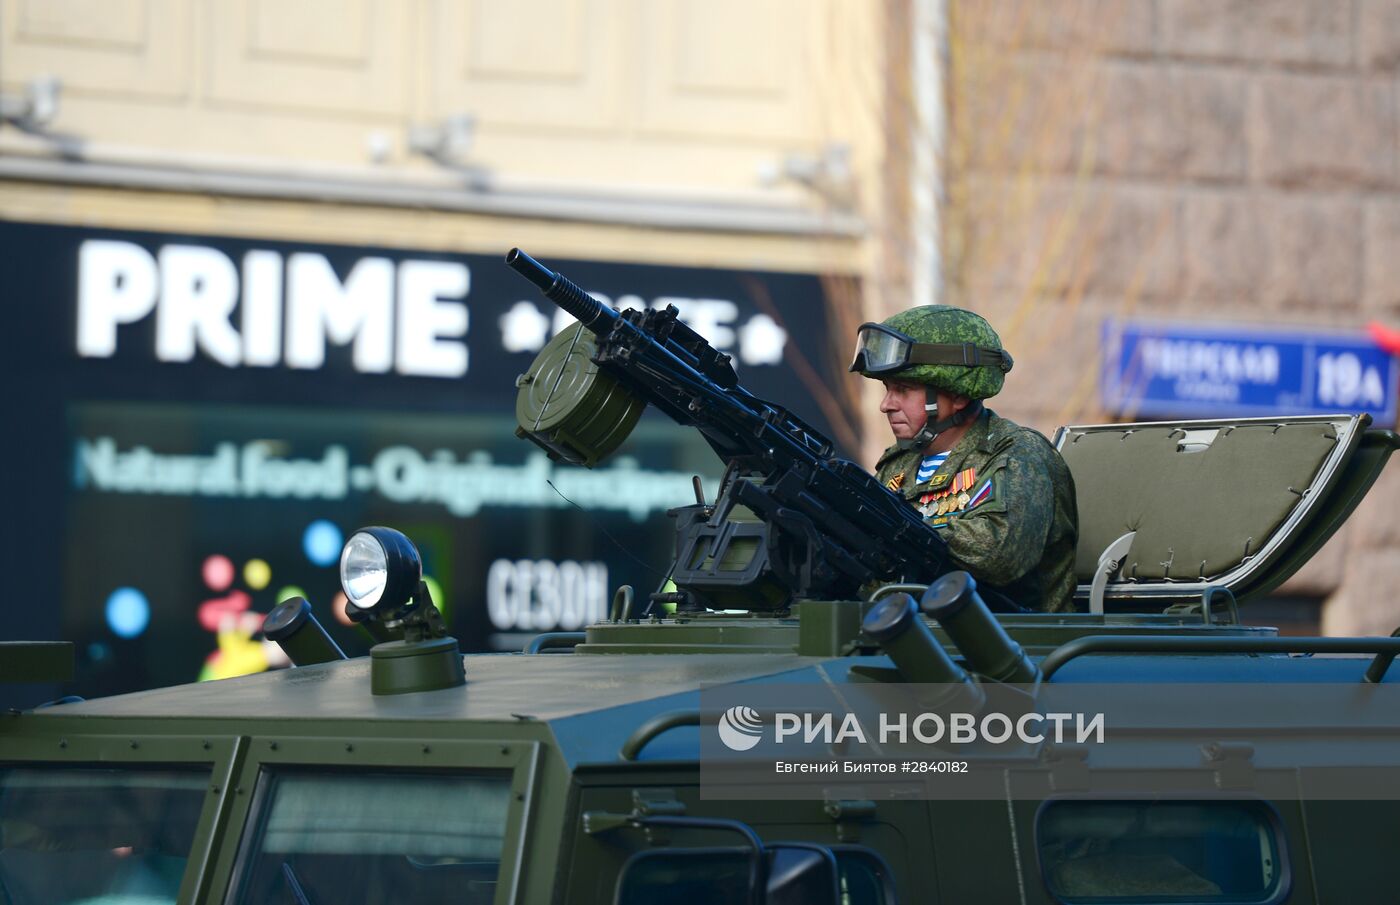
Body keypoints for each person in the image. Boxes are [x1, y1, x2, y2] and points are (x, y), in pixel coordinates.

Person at [850, 305, 1079, 611]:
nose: (886, 405)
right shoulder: (898, 464)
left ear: (957, 395)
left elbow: (997, 554)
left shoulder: (1016, 455)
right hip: (916, 633)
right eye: (887, 389)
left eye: (904, 389)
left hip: (1015, 645)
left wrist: (893, 532)